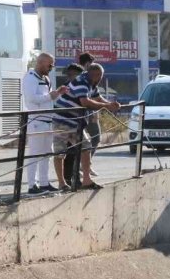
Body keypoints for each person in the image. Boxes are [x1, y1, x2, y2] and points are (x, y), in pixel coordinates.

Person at [53, 63, 119, 190]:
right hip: (62, 120)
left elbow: (97, 98)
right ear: (96, 75)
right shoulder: (82, 82)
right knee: (60, 152)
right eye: (100, 76)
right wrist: (106, 106)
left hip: (75, 121)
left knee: (86, 146)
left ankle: (86, 180)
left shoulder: (91, 82)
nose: (101, 79)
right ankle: (62, 183)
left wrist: (110, 104)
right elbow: (85, 102)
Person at [21, 53, 68, 194]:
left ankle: (44, 182)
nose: (51, 67)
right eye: (49, 64)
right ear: (40, 62)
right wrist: (51, 95)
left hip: (47, 121)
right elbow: (32, 98)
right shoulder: (30, 78)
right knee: (34, 154)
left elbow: (47, 99)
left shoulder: (46, 79)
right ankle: (31, 185)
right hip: (36, 121)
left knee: (47, 153)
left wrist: (57, 93)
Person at [78, 53, 101, 176]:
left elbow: (96, 96)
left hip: (91, 112)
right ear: (86, 63)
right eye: (91, 63)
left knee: (95, 139)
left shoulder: (91, 77)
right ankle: (82, 166)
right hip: (84, 114)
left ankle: (86, 165)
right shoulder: (82, 76)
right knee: (88, 141)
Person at [60, 63, 84, 186]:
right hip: (66, 123)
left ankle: (76, 179)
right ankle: (69, 180)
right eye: (70, 74)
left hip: (77, 123)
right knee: (68, 154)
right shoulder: (66, 87)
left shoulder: (81, 85)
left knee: (77, 153)